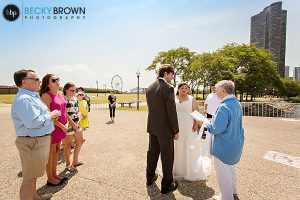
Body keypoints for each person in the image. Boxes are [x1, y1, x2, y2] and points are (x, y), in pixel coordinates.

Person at [11, 69, 60, 200]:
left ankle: (35, 197)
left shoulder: (32, 96)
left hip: (37, 141)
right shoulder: (24, 99)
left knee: (33, 176)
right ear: (24, 82)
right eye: (36, 79)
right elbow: (33, 122)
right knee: (29, 179)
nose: (39, 81)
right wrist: (50, 115)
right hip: (33, 142)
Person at [197, 80, 244, 200]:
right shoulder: (236, 104)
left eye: (217, 90)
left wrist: (205, 123)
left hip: (224, 145)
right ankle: (233, 192)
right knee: (230, 169)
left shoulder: (224, 106)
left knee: (223, 173)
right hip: (235, 142)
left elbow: (217, 129)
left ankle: (226, 197)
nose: (215, 93)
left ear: (223, 90)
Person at [146, 64, 179, 194]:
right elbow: (172, 112)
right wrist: (175, 130)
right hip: (165, 130)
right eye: (172, 74)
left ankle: (149, 178)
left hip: (153, 127)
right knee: (167, 157)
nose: (172, 77)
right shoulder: (168, 88)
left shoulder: (150, 87)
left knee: (152, 153)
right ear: (165, 73)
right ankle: (166, 185)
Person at [172, 82, 208, 180]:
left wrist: (196, 125)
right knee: (177, 145)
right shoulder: (173, 98)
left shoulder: (192, 99)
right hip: (176, 126)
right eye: (182, 88)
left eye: (186, 88)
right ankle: (176, 169)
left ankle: (188, 169)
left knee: (188, 145)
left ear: (188, 90)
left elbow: (196, 113)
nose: (184, 89)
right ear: (178, 89)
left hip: (188, 126)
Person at [40, 74, 68, 186]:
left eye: (58, 79)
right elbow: (48, 116)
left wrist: (65, 123)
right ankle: (50, 179)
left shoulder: (61, 93)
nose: (57, 81)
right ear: (47, 83)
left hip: (61, 127)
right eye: (53, 80)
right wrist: (61, 126)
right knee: (51, 154)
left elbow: (64, 109)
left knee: (57, 151)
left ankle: (55, 174)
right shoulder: (46, 96)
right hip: (53, 127)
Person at [63, 82, 84, 172]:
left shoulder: (75, 98)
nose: (74, 92)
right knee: (68, 145)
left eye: (74, 90)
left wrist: (78, 121)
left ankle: (75, 161)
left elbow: (78, 111)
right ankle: (68, 164)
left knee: (80, 141)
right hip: (68, 124)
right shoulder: (63, 99)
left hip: (76, 123)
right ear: (66, 90)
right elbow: (65, 113)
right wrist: (72, 124)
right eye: (71, 90)